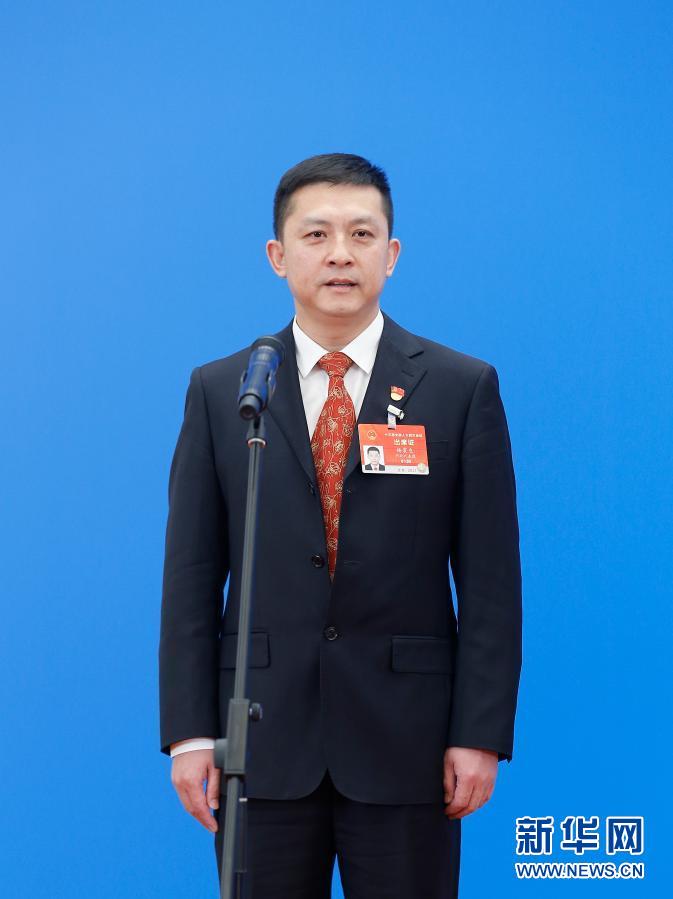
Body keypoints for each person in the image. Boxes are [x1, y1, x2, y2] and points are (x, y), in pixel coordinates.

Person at [159, 153, 522, 898]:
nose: (339, 254)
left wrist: (479, 733)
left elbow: (491, 583)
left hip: (409, 741)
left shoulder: (459, 388)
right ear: (278, 255)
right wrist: (191, 733)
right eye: (316, 234)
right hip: (260, 745)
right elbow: (190, 579)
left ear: (391, 254)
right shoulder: (226, 391)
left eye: (361, 234)